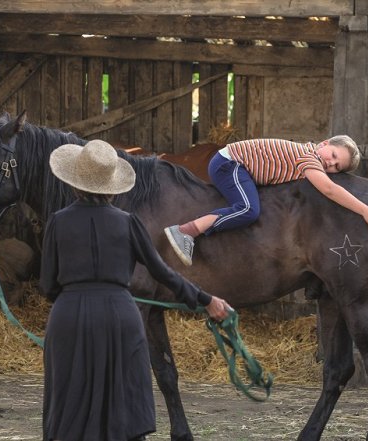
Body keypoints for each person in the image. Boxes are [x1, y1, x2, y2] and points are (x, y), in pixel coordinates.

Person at [39, 139, 232, 441]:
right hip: (120, 316)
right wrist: (206, 300)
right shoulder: (129, 223)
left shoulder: (57, 222)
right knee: (122, 407)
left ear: (73, 185)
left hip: (70, 318)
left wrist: (74, 298)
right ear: (113, 188)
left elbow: (47, 285)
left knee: (70, 404)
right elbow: (163, 273)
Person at [164, 136, 368, 266]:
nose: (331, 164)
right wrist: (364, 210)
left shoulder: (307, 156)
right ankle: (187, 230)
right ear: (324, 144)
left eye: (337, 167)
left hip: (239, 165)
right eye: (334, 156)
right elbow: (329, 189)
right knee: (248, 209)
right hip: (228, 163)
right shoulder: (308, 158)